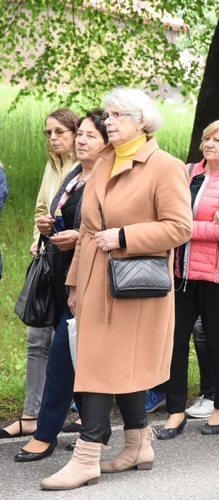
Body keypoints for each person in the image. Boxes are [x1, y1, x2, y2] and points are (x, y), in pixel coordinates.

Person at [40, 88, 193, 490]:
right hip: (93, 280)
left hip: (134, 287)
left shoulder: (165, 167)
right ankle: (138, 444)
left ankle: (87, 456)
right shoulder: (102, 162)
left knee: (101, 367)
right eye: (107, 115)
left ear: (141, 120)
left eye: (117, 115)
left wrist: (124, 235)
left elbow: (180, 227)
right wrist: (74, 283)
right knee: (113, 364)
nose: (108, 122)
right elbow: (89, 231)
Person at [13, 110, 109, 462]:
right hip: (59, 275)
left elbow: (109, 230)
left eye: (89, 136)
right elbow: (60, 216)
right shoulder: (72, 175)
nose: (81, 140)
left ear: (106, 142)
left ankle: (45, 432)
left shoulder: (106, 179)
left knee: (61, 359)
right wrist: (47, 229)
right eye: (79, 134)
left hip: (87, 279)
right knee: (75, 355)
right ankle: (100, 430)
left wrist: (79, 238)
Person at [158, 119, 219, 440]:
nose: (209, 144)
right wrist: (205, 225)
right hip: (181, 273)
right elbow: (165, 214)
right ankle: (175, 411)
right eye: (207, 138)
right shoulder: (187, 173)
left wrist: (186, 230)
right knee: (173, 342)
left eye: (218, 140)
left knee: (218, 344)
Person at [1, 109, 79, 440]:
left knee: (71, 339)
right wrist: (38, 238)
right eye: (48, 132)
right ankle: (31, 414)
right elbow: (39, 210)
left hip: (75, 262)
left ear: (76, 133)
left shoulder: (87, 169)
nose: (53, 137)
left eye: (60, 131)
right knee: (37, 337)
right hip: (47, 259)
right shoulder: (53, 165)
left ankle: (77, 414)